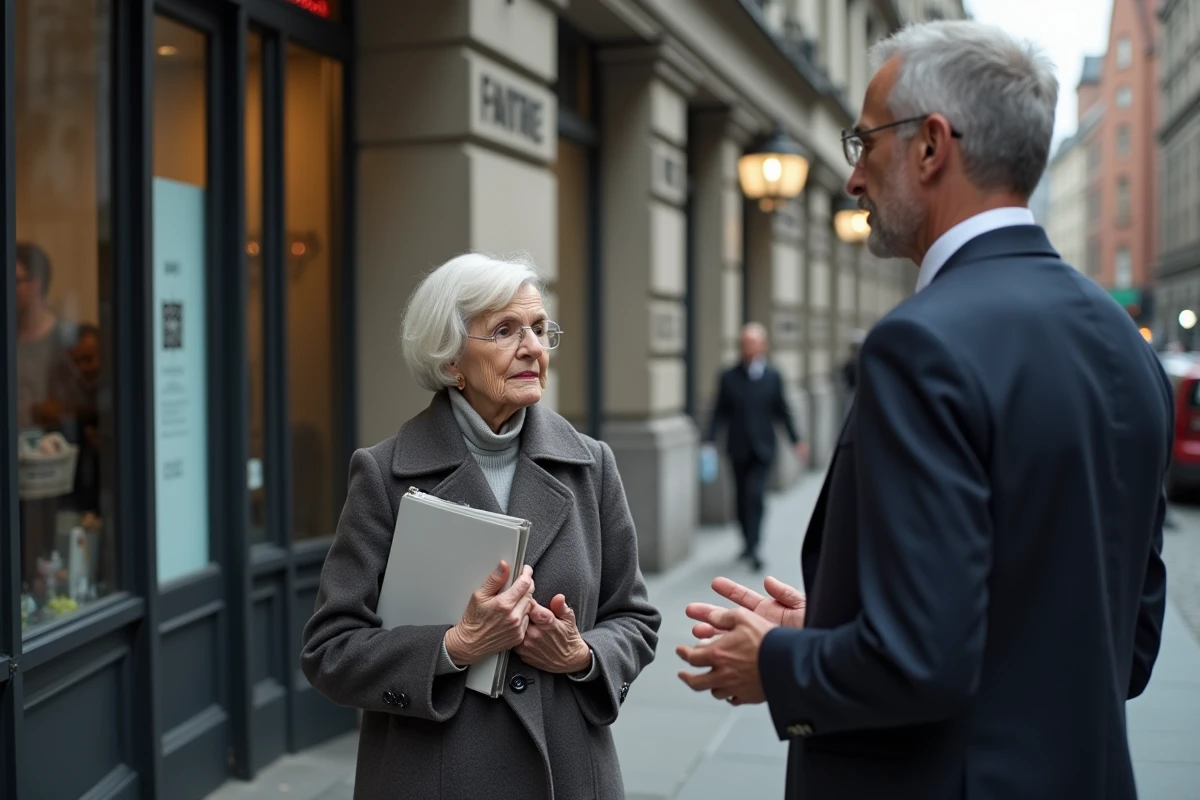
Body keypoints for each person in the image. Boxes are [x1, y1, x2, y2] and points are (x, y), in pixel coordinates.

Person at [677, 20, 1171, 800]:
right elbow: (1125, 644)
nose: (854, 178)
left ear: (931, 146)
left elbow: (920, 663)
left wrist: (773, 662)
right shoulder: (1125, 345)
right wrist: (845, 621)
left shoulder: (920, 343)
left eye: (864, 142)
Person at [300, 252, 660, 800]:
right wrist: (454, 647)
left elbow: (634, 618)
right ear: (450, 362)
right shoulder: (383, 474)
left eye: (539, 329)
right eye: (505, 330)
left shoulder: (593, 465)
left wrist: (581, 657)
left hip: (568, 774)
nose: (533, 348)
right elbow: (332, 651)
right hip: (433, 776)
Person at [705, 323, 808, 571]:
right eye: (744, 343)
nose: (748, 348)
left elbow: (782, 411)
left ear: (763, 346)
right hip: (738, 447)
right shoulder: (728, 376)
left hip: (763, 447)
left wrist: (796, 440)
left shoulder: (773, 376)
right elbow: (719, 412)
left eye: (752, 343)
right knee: (741, 497)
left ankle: (754, 546)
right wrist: (708, 440)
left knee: (756, 495)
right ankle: (746, 539)